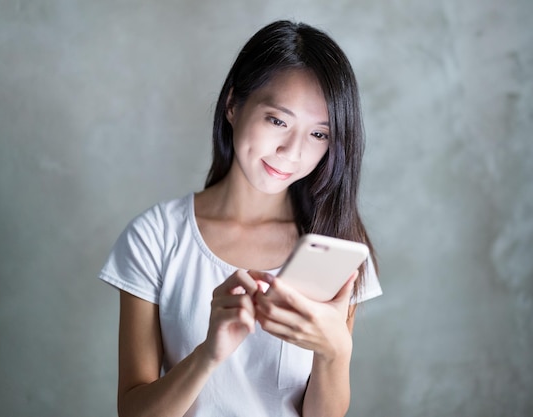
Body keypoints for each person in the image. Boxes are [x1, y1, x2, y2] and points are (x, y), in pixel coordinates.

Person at [99, 20, 382, 417]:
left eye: (320, 134)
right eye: (278, 121)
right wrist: (208, 354)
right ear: (233, 105)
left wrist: (334, 350)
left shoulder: (336, 244)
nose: (292, 151)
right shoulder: (156, 237)